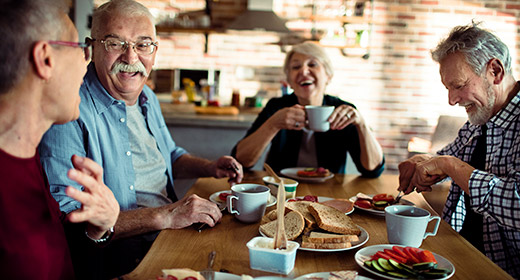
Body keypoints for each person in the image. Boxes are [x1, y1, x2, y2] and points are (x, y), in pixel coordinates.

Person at [38, 0, 243, 278]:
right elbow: (72, 219)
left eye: (143, 44)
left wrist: (208, 167)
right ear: (92, 47)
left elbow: (168, 156)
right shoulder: (69, 109)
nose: (131, 57)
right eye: (115, 43)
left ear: (155, 51)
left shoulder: (147, 96)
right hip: (125, 258)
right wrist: (166, 216)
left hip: (170, 234)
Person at [0, 0, 120, 279]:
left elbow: (61, 265)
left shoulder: (28, 156)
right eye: (80, 48)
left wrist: (97, 229)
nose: (87, 60)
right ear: (45, 59)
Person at [398, 23, 520, 279]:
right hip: (462, 253)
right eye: (448, 89)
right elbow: (446, 156)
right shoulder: (482, 118)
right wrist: (424, 160)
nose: (452, 100)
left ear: (495, 71)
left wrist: (450, 166)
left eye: (459, 85)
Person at [232, 42, 384, 176]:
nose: (304, 71)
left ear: (328, 76)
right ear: (289, 81)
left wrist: (362, 124)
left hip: (329, 193)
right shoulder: (277, 107)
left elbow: (372, 170)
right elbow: (241, 161)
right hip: (282, 190)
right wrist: (273, 124)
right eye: (296, 67)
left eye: (312, 64)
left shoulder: (342, 110)